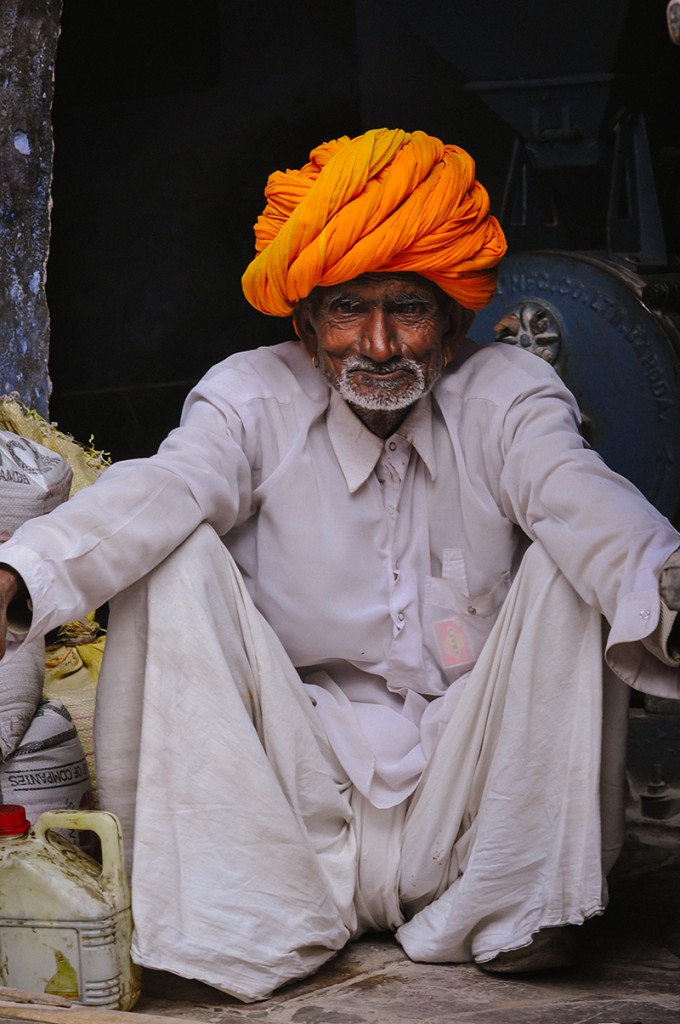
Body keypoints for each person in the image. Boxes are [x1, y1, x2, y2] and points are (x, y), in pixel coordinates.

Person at [0, 127, 679, 1002]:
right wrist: (20, 576)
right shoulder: (251, 397)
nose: (382, 343)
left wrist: (665, 583)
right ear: (306, 323)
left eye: (409, 307)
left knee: (573, 567)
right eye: (350, 308)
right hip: (298, 798)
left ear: (455, 319)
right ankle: (244, 920)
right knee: (171, 558)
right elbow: (165, 487)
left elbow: (575, 493)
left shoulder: (508, 394)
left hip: (469, 800)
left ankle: (521, 912)